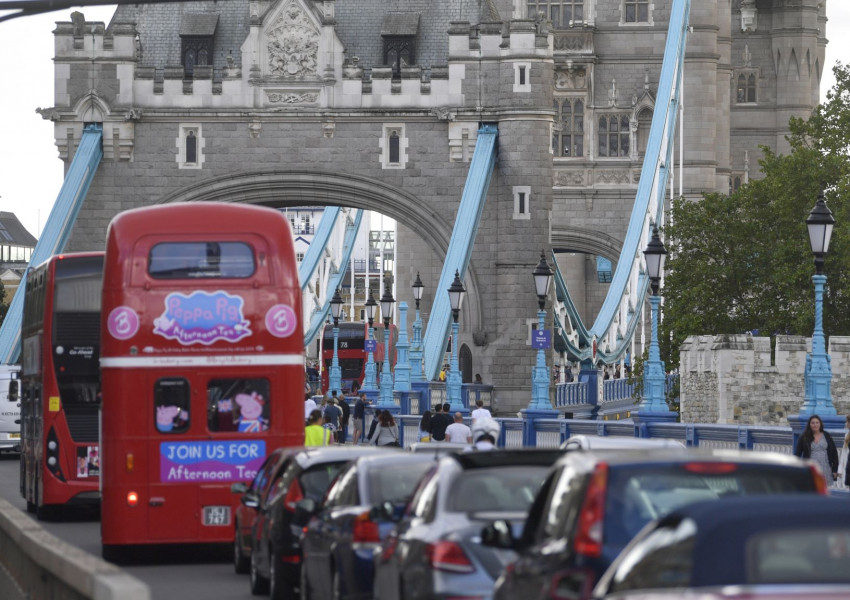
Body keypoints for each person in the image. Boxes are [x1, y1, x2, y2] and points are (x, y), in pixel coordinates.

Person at [794, 414, 839, 484]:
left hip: (825, 468)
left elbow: (834, 453)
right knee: (811, 490)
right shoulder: (804, 437)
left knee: (823, 491)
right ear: (809, 424)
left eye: (817, 422)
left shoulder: (827, 435)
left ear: (820, 424)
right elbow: (797, 454)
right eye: (813, 423)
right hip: (810, 469)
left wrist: (835, 470)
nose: (815, 425)